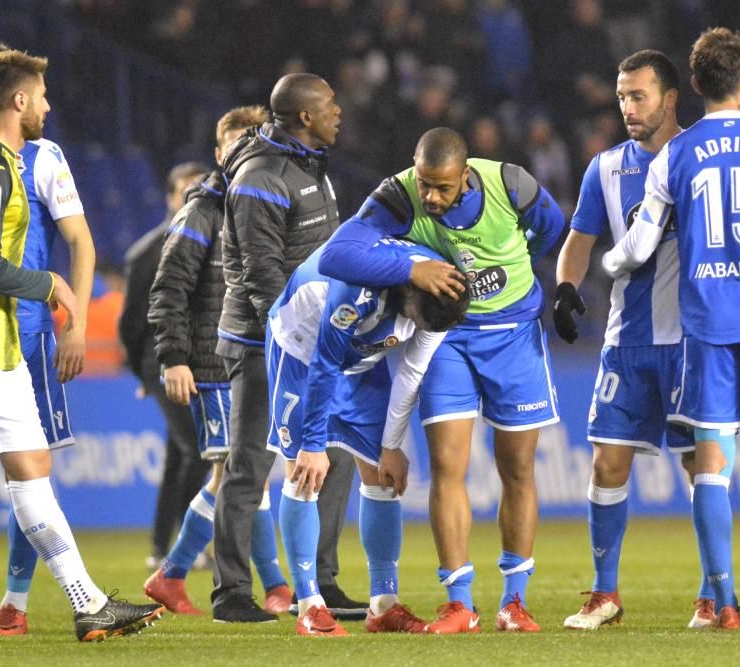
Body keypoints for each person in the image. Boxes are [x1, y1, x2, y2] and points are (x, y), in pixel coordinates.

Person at [601, 27, 740, 630]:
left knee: (711, 464)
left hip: (704, 327)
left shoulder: (676, 153)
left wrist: (605, 266)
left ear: (694, 86)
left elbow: (639, 244)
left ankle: (722, 601)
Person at [0, 48, 165, 642]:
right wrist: (51, 284)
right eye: (41, 96)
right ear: (19, 101)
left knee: (32, 474)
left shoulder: (14, 162)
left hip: (10, 353)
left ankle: (86, 602)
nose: (48, 105)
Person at [318, 127, 565, 633]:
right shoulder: (397, 193)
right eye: (425, 183)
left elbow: (550, 229)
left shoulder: (511, 185)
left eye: (443, 188)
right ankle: (459, 603)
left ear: (467, 177)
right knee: (447, 466)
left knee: (517, 467)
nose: (430, 196)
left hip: (514, 333)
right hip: (445, 336)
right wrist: (413, 268)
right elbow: (337, 254)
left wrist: (516, 267)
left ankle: (514, 603)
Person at [554, 49, 710, 630]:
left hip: (693, 340)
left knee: (702, 466)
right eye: (621, 96)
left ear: (670, 98)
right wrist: (565, 288)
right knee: (607, 462)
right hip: (628, 342)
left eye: (637, 95)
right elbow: (579, 237)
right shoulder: (606, 168)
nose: (627, 107)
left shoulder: (701, 157)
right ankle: (604, 593)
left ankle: (713, 593)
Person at [0, 39, 98, 637]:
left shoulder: (35, 158)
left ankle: (35, 601)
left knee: (28, 469)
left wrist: (78, 322)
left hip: (24, 341)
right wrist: (48, 285)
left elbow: (80, 240)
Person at [213, 71, 364, 623]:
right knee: (250, 465)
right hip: (263, 344)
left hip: (316, 342)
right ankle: (230, 592)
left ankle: (319, 585)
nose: (338, 112)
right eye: (329, 105)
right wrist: (296, 344)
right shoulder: (261, 175)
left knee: (336, 456)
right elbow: (261, 274)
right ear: (304, 116)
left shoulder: (309, 166)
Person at [269, 239, 470, 636]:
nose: (420, 330)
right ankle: (309, 604)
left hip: (362, 358)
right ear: (406, 296)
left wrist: (392, 445)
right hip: (303, 351)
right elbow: (325, 361)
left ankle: (384, 604)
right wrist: (312, 444)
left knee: (382, 475)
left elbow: (412, 371)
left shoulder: (443, 295)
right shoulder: (356, 290)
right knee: (304, 474)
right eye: (416, 321)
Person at [144, 105, 291, 616]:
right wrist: (174, 357)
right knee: (232, 474)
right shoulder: (201, 210)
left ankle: (264, 585)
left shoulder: (260, 203)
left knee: (245, 473)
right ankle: (182, 574)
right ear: (219, 152)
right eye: (236, 142)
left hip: (250, 361)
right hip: (210, 366)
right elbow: (169, 288)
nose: (246, 150)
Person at [120, 161, 209, 573]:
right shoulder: (148, 252)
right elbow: (131, 322)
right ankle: (189, 546)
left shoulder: (212, 238)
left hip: (197, 361)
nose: (193, 196)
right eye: (187, 190)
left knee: (179, 456)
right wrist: (144, 375)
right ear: (171, 198)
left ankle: (160, 545)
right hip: (162, 363)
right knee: (197, 450)